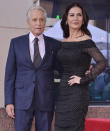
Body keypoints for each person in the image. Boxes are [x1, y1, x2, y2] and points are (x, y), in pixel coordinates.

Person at [4, 5, 60, 131]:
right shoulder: (16, 43)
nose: (38, 23)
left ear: (45, 22)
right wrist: (9, 101)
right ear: (28, 22)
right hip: (21, 100)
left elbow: (62, 68)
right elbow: (10, 75)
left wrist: (81, 69)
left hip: (46, 99)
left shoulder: (55, 45)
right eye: (35, 20)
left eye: (41, 20)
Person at [55, 2, 107, 131]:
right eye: (72, 15)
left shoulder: (86, 41)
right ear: (66, 19)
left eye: (79, 15)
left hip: (77, 94)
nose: (75, 18)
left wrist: (84, 79)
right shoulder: (63, 41)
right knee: (60, 127)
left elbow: (102, 63)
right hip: (63, 93)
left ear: (83, 19)